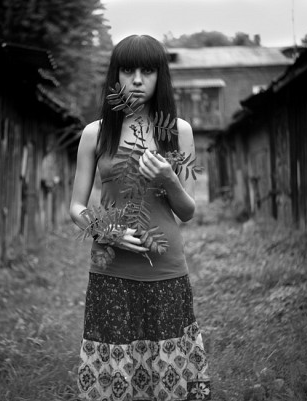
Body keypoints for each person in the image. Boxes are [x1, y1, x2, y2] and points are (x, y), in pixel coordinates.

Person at [70, 34, 211, 400]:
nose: (136, 80)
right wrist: (105, 231)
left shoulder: (178, 131)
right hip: (111, 269)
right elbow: (75, 206)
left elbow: (187, 211)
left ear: (159, 75)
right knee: (113, 374)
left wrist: (168, 179)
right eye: (127, 70)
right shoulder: (96, 133)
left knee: (169, 372)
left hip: (166, 268)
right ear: (115, 75)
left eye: (147, 71)